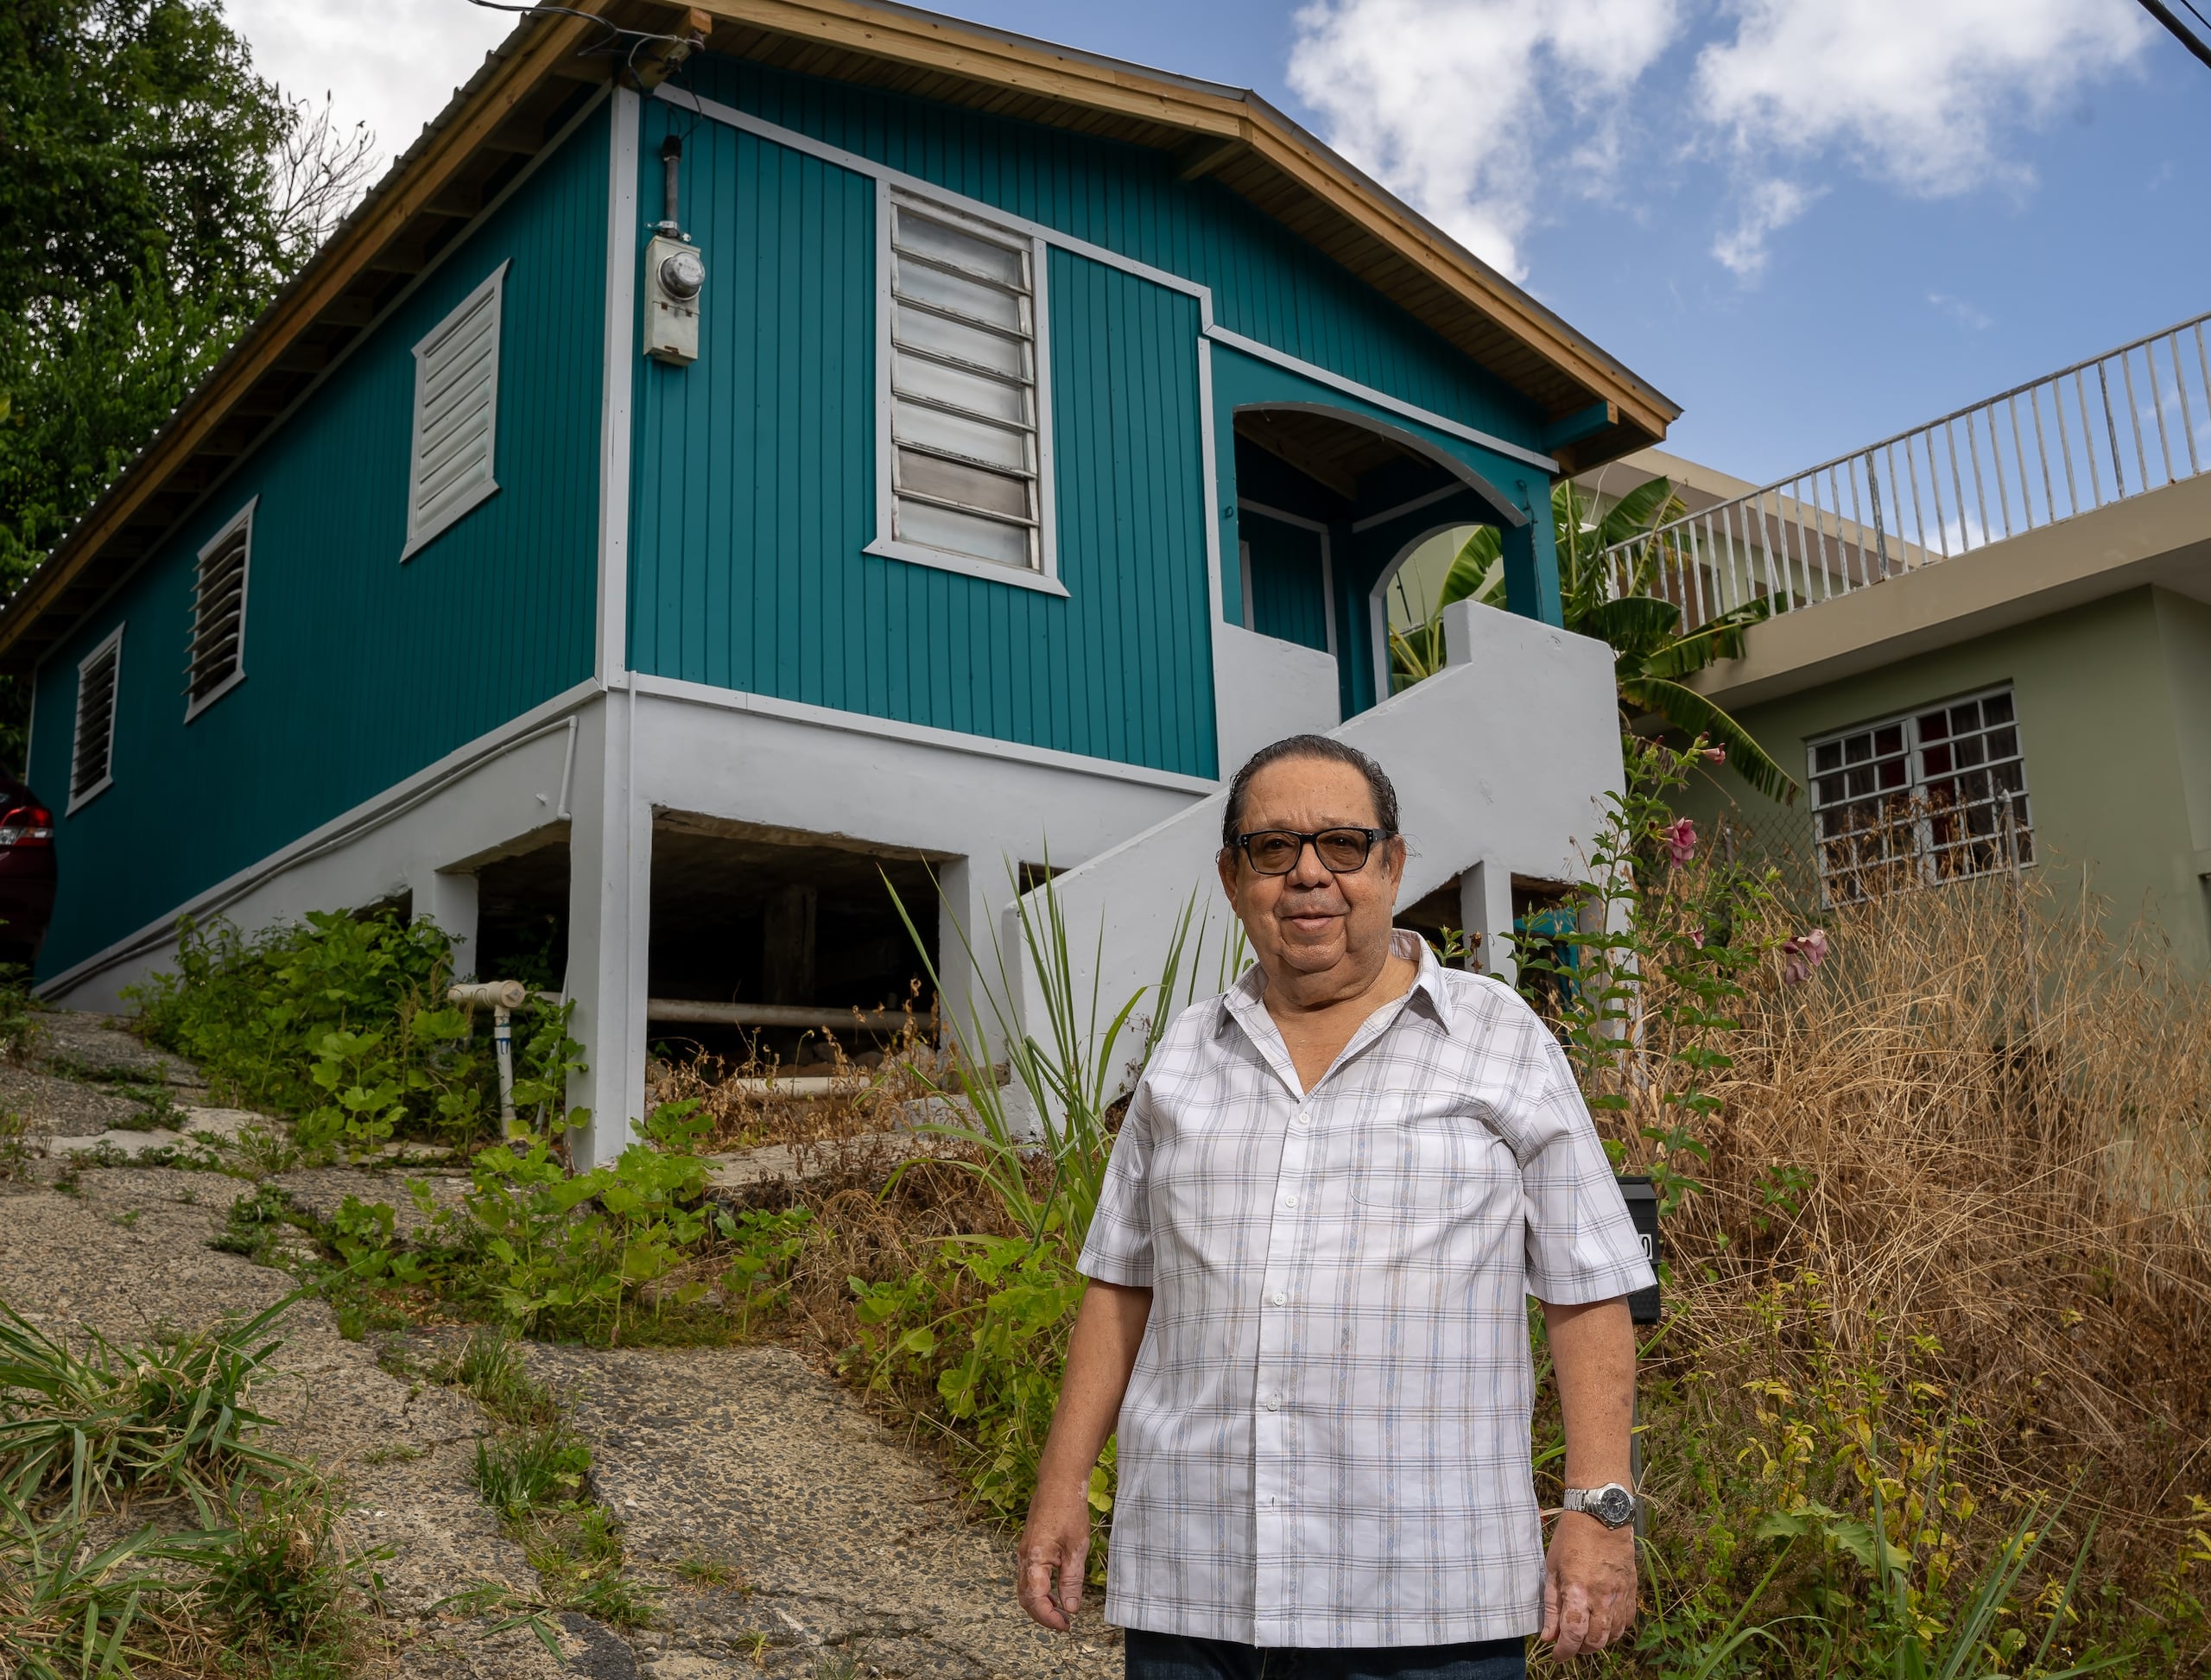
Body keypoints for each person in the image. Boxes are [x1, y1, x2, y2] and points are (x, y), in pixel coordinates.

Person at [1016, 734, 1655, 1679]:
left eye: (1342, 845)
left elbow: (1587, 1286)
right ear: (1233, 878)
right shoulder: (1184, 1058)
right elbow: (1118, 1287)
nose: (1308, 873)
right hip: (1199, 1593)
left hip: (1427, 1604)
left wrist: (1600, 1510)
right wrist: (1060, 1484)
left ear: (1391, 865)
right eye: (1272, 850)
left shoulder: (1498, 1038)